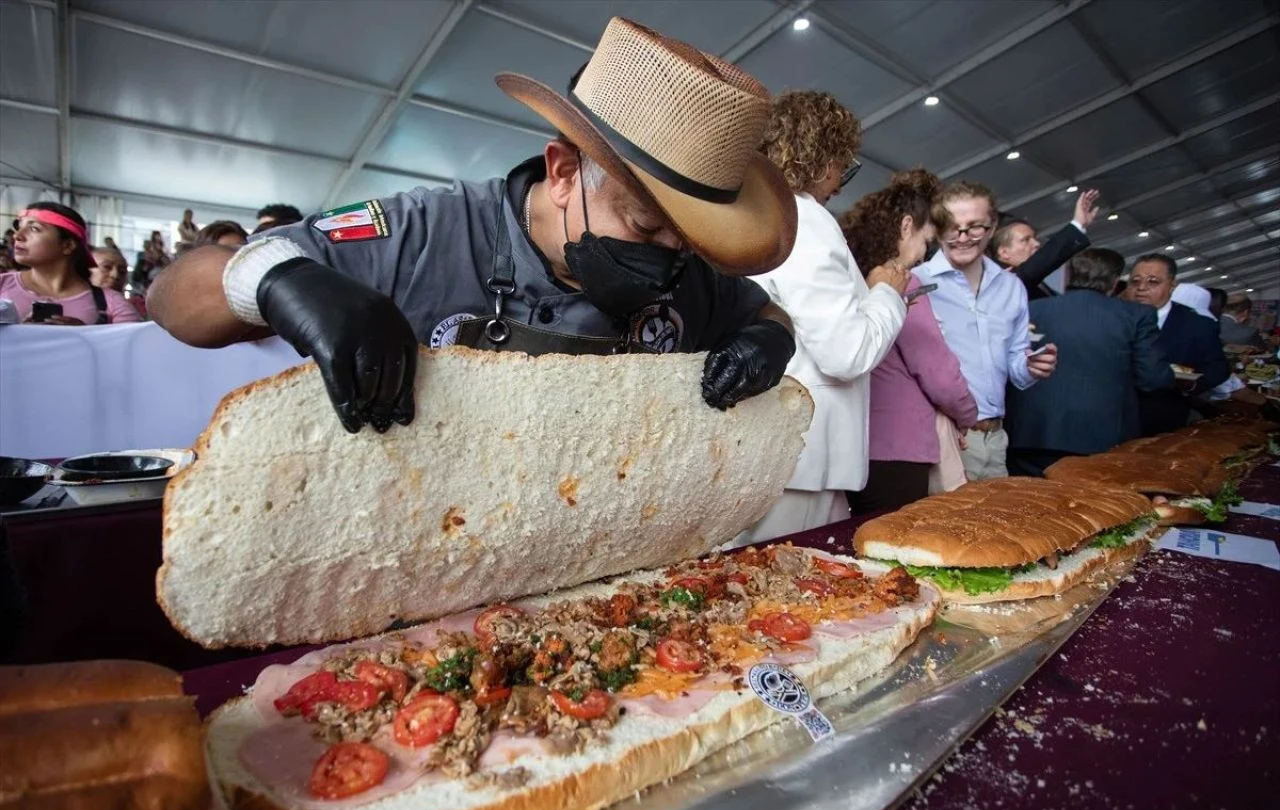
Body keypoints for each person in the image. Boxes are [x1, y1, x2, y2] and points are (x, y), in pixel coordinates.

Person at [149, 17, 799, 436]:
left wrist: (773, 342)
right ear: (565, 170)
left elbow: (768, 316)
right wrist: (281, 280)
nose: (669, 259)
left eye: (686, 243)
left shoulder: (693, 279)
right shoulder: (427, 233)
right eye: (646, 225)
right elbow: (174, 298)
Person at [731, 91, 907, 543]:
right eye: (842, 164)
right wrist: (886, 293)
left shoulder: (755, 214)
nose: (841, 183)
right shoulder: (805, 220)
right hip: (804, 459)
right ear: (822, 157)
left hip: (771, 450)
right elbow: (846, 353)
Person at [841, 169, 978, 513]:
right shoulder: (902, 282)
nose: (922, 255)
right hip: (898, 450)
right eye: (926, 241)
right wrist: (967, 415)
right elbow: (940, 375)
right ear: (905, 227)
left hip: (852, 445)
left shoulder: (852, 275)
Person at [913, 182, 1058, 481]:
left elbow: (1016, 363)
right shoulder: (917, 283)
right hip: (945, 437)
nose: (962, 237)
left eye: (974, 227)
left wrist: (1030, 366)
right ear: (937, 229)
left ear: (992, 228)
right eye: (952, 226)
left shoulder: (1011, 287)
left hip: (997, 438)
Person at [1005, 248, 1172, 476]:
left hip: (1032, 434)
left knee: (1025, 506)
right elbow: (1152, 378)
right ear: (1114, 282)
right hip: (1102, 439)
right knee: (1090, 508)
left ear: (1069, 276)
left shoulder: (1032, 309)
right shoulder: (1136, 315)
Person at [1125, 253, 1231, 435]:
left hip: (1164, 420)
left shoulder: (1197, 325)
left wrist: (1189, 386)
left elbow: (1218, 368)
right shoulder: (1109, 316)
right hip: (1111, 417)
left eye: (1153, 282)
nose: (1141, 288)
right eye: (1135, 281)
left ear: (1172, 285)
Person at [0, 202, 141, 325]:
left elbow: (132, 348)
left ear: (67, 245)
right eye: (19, 228)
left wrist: (84, 336)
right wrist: (19, 335)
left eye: (34, 228)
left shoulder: (111, 303)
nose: (17, 236)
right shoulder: (2, 285)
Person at [990, 188, 1101, 301]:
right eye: (1026, 240)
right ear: (1004, 252)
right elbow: (1036, 266)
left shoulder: (1037, 283)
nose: (1037, 244)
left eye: (1034, 238)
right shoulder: (1004, 280)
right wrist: (1078, 224)